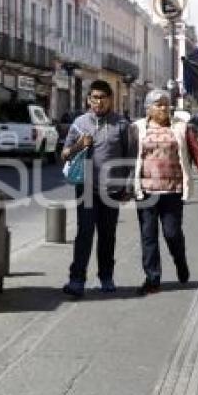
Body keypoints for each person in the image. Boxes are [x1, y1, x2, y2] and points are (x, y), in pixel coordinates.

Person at [130, 90, 198, 295]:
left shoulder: (181, 128)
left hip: (173, 190)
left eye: (166, 104)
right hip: (145, 191)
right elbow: (128, 156)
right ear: (148, 108)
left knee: (172, 234)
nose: (163, 108)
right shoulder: (137, 128)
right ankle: (152, 279)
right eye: (158, 104)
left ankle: (180, 261)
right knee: (148, 236)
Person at [60, 80, 132, 297]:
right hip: (86, 189)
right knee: (84, 234)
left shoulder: (121, 124)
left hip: (112, 190)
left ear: (110, 99)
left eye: (102, 97)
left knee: (107, 236)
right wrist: (78, 145)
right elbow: (64, 154)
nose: (98, 102)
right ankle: (76, 280)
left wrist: (127, 186)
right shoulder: (79, 123)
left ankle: (106, 276)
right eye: (94, 97)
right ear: (88, 99)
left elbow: (130, 157)